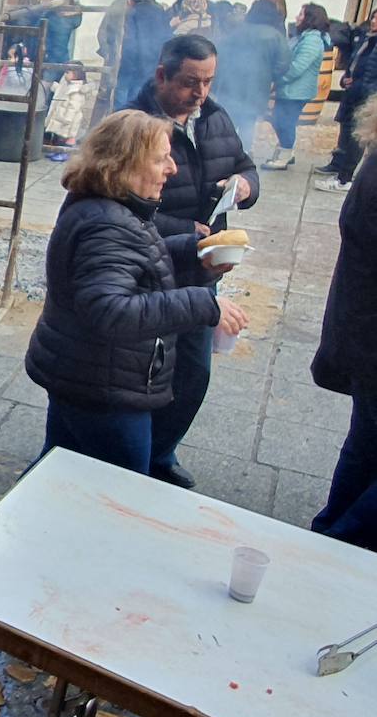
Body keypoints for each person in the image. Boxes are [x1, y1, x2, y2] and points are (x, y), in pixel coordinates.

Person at [25, 110, 246, 474]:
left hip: (83, 374)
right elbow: (112, 310)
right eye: (160, 159)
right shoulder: (107, 223)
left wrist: (194, 253)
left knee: (55, 470)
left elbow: (138, 262)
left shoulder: (111, 207)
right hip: (104, 389)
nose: (172, 169)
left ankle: (15, 525)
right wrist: (204, 303)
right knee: (120, 491)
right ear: (122, 164)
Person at [127, 34, 259, 488]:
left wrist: (243, 187)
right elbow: (116, 209)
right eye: (189, 82)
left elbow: (246, 166)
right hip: (148, 276)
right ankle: (127, 453)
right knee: (142, 374)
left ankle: (160, 454)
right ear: (162, 75)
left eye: (208, 82)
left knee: (193, 372)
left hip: (201, 274)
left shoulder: (215, 118)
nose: (200, 93)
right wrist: (186, 234)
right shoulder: (133, 125)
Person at [310, 96, 377, 550]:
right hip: (370, 330)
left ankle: (333, 535)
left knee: (367, 441)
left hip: (364, 328)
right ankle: (342, 538)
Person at [214, 0, 289, 156]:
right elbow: (283, 64)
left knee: (229, 119)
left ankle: (224, 151)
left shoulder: (236, 31)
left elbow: (220, 55)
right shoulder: (275, 36)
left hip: (230, 84)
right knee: (248, 121)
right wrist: (270, 76)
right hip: (257, 86)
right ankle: (244, 151)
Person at [262, 3, 331, 171]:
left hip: (295, 91)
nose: (297, 17)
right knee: (281, 121)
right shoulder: (304, 37)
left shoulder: (312, 40)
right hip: (290, 90)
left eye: (301, 14)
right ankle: (286, 151)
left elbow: (297, 67)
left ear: (310, 18)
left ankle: (284, 157)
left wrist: (277, 80)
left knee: (284, 122)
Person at [316, 6, 377, 193]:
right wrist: (345, 79)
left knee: (356, 138)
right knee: (345, 131)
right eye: (374, 17)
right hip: (353, 94)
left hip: (367, 98)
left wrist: (360, 86)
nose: (374, 21)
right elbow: (355, 64)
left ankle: (345, 178)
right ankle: (338, 165)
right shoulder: (367, 39)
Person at [98, 0, 171, 111]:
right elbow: (104, 32)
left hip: (133, 64)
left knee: (126, 101)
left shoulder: (137, 11)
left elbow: (132, 39)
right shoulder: (119, 6)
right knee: (131, 100)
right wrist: (108, 54)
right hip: (133, 64)